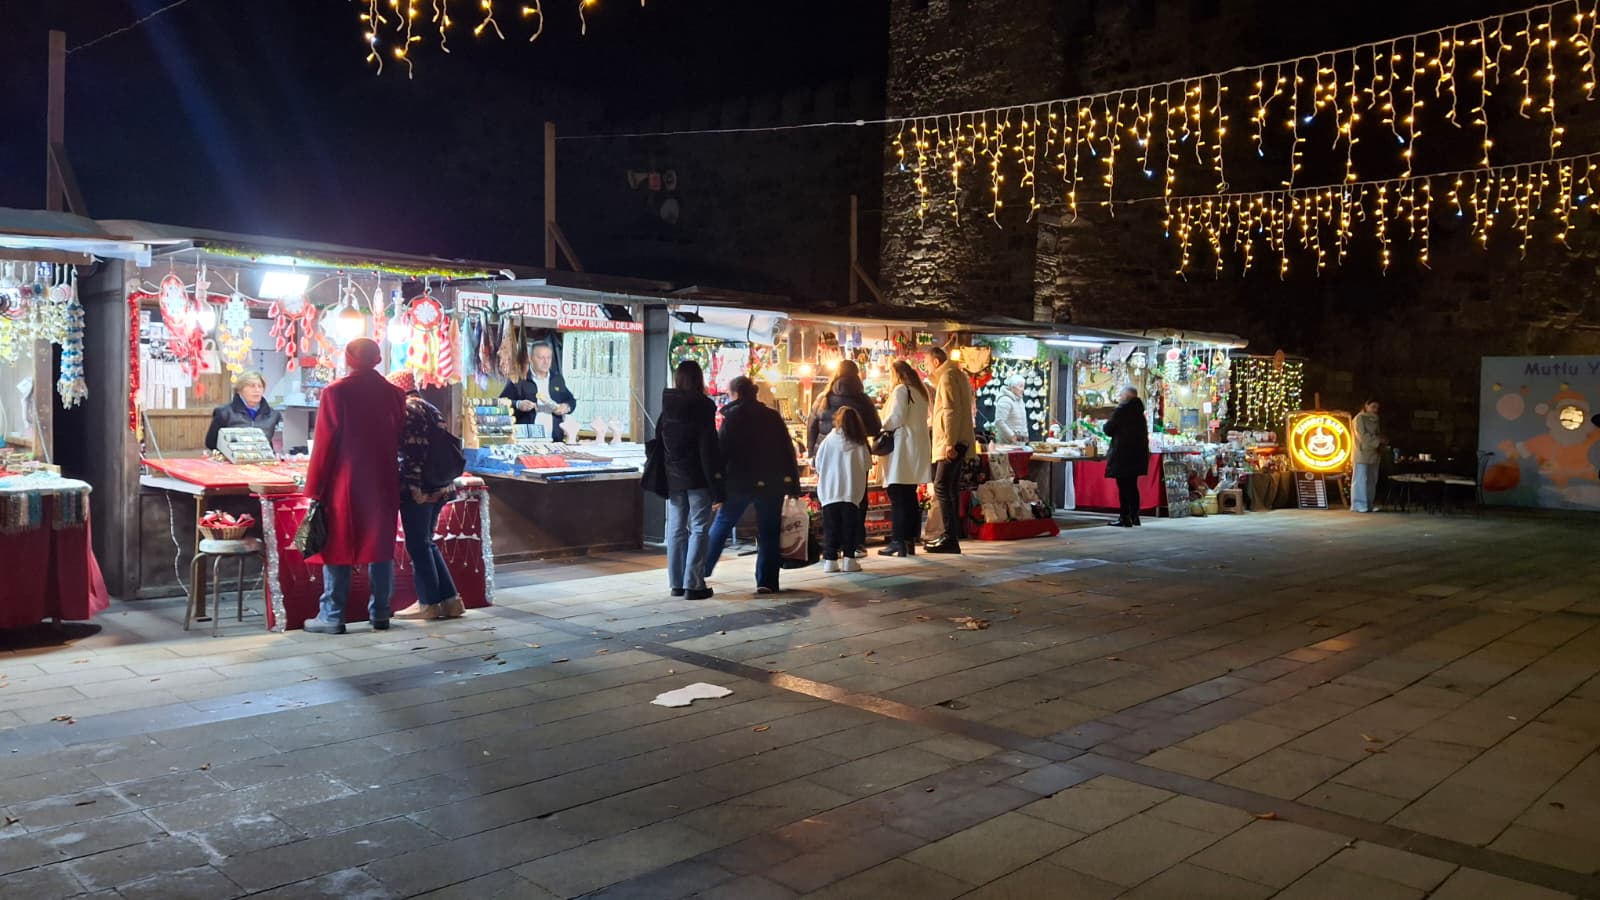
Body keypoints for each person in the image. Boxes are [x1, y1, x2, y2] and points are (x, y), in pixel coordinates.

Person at [302, 339, 408, 634]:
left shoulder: (335, 392)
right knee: (380, 545)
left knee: (338, 543)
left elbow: (325, 443)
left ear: (348, 358)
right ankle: (381, 613)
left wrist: (314, 488)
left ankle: (332, 615)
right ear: (377, 359)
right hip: (383, 479)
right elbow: (399, 435)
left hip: (344, 479)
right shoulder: (395, 394)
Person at [703, 376, 801, 594]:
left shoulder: (732, 418)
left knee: (722, 525)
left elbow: (721, 454)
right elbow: (787, 451)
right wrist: (793, 485)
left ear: (736, 394)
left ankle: (702, 570)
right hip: (771, 482)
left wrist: (717, 489)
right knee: (769, 531)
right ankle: (767, 581)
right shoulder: (772, 417)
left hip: (738, 482)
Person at [388, 370, 463, 621]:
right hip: (441, 485)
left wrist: (414, 489)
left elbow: (414, 453)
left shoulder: (408, 409)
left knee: (418, 544)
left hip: (421, 489)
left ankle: (428, 603)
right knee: (427, 542)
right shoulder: (431, 407)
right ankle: (451, 600)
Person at [660, 360, 723, 600]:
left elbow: (660, 439)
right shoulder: (703, 405)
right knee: (699, 527)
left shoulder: (668, 405)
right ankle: (694, 584)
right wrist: (716, 482)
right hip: (698, 475)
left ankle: (676, 583)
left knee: (676, 528)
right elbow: (708, 445)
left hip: (674, 475)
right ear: (698, 379)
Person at [806, 359, 882, 551]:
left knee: (830, 496)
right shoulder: (863, 399)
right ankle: (855, 543)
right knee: (857, 497)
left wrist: (811, 453)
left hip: (827, 452)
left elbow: (812, 426)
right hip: (855, 452)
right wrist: (858, 430)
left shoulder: (824, 397)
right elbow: (875, 427)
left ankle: (833, 543)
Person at [926, 346, 976, 554]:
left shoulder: (947, 377)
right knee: (950, 487)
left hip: (952, 442)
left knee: (941, 485)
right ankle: (952, 535)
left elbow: (950, 411)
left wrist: (949, 442)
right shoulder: (959, 375)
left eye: (927, 363)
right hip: (960, 440)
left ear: (936, 362)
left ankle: (949, 536)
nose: (927, 368)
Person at [878, 360, 931, 557]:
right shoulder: (920, 392)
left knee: (897, 495)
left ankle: (897, 541)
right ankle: (908, 540)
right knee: (909, 495)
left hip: (902, 449)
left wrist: (879, 426)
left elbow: (896, 418)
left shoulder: (901, 390)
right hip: (916, 448)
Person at [815, 406, 872, 573]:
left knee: (830, 527)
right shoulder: (859, 443)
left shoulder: (828, 440)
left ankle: (830, 561)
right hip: (851, 492)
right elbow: (867, 464)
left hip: (830, 491)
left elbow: (818, 464)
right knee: (850, 527)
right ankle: (849, 560)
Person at [500, 342, 577, 440]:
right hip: (526, 439)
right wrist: (518, 404)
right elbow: (501, 403)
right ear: (530, 358)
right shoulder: (519, 379)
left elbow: (571, 400)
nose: (546, 362)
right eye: (541, 358)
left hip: (554, 440)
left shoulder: (556, 379)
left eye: (549, 358)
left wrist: (566, 407)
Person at [1103, 386, 1150, 528]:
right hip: (1137, 455)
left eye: (1121, 395)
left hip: (1122, 454)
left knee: (1123, 487)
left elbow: (1108, 429)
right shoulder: (1140, 413)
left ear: (1126, 397)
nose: (1120, 398)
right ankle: (1135, 516)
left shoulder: (1122, 411)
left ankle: (1124, 517)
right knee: (1133, 486)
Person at [204, 370, 282, 451]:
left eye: (260, 386)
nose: (257, 390)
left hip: (262, 458)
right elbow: (211, 443)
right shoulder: (224, 413)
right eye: (252, 386)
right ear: (240, 390)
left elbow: (271, 444)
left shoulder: (273, 415)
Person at [1352, 398, 1383, 513]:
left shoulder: (1376, 419)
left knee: (1372, 480)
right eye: (1373, 407)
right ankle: (1358, 504)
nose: (1375, 410)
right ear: (1366, 406)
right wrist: (1378, 441)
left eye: (1377, 408)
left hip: (1374, 453)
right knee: (1360, 479)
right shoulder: (1359, 418)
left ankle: (1369, 503)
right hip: (1362, 452)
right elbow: (1362, 435)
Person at [993, 374, 1030, 444]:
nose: (1023, 389)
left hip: (1020, 442)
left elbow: (1022, 422)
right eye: (1020, 386)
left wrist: (1025, 437)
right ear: (1013, 387)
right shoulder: (1005, 400)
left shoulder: (1019, 400)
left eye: (1023, 386)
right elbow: (999, 421)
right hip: (1008, 443)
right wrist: (1012, 436)